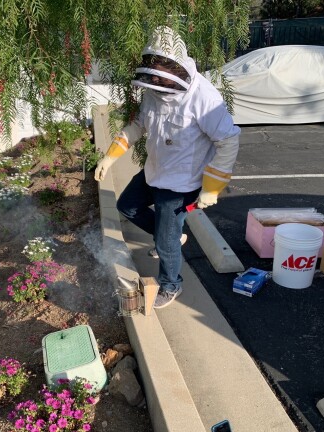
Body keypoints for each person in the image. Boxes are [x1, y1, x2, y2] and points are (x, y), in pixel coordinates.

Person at [95, 26, 240, 309]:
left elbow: (228, 140)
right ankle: (171, 237)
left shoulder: (204, 98)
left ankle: (171, 285)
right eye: (153, 73)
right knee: (127, 206)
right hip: (156, 169)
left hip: (182, 182)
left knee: (166, 242)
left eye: (161, 73)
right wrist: (110, 156)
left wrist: (212, 188)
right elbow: (139, 125)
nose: (156, 80)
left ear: (174, 66)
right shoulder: (153, 88)